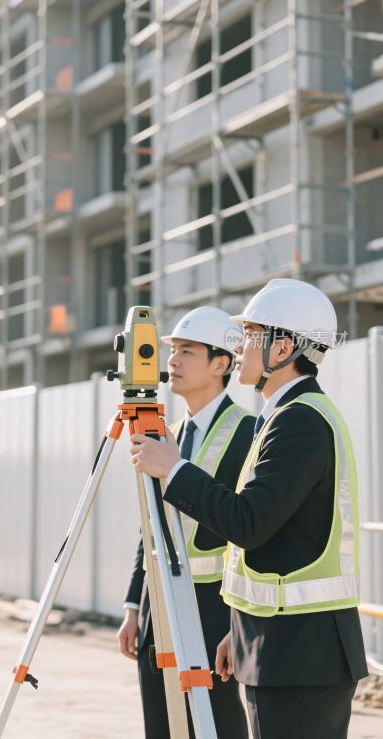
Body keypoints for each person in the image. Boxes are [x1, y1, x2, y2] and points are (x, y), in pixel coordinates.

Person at [129, 279, 368, 739]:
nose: (240, 345)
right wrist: (239, 631)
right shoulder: (282, 416)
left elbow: (248, 523)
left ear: (282, 348)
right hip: (281, 649)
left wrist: (174, 470)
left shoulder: (300, 420)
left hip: (303, 659)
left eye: (252, 334)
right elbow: (278, 540)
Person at [118, 306, 253, 739]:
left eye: (187, 351)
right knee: (160, 721)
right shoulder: (167, 432)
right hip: (160, 602)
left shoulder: (249, 430)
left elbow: (252, 527)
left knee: (214, 724)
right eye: (173, 349)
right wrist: (133, 605)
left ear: (221, 364)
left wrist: (238, 620)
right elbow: (151, 524)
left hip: (215, 607)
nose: (172, 360)